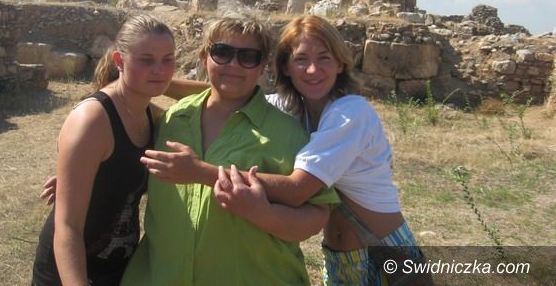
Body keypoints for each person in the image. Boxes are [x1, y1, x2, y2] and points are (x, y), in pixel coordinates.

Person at [145, 15, 425, 285]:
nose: (312, 70)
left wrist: (200, 172)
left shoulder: (350, 114)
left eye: (324, 58)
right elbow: (226, 88)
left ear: (341, 64)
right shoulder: (292, 108)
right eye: (301, 59)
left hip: (385, 252)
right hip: (339, 258)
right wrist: (153, 82)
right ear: (286, 67)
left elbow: (298, 189)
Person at [120, 16, 338, 286]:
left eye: (248, 57)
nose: (233, 64)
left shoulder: (288, 134)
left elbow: (316, 217)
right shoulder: (173, 118)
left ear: (263, 66)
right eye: (222, 52)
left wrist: (261, 212)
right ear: (204, 57)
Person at [32, 15, 176, 286]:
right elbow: (68, 227)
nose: (159, 69)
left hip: (119, 268)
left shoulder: (149, 113)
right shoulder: (93, 120)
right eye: (146, 60)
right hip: (70, 270)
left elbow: (217, 95)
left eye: (168, 59)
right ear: (119, 60)